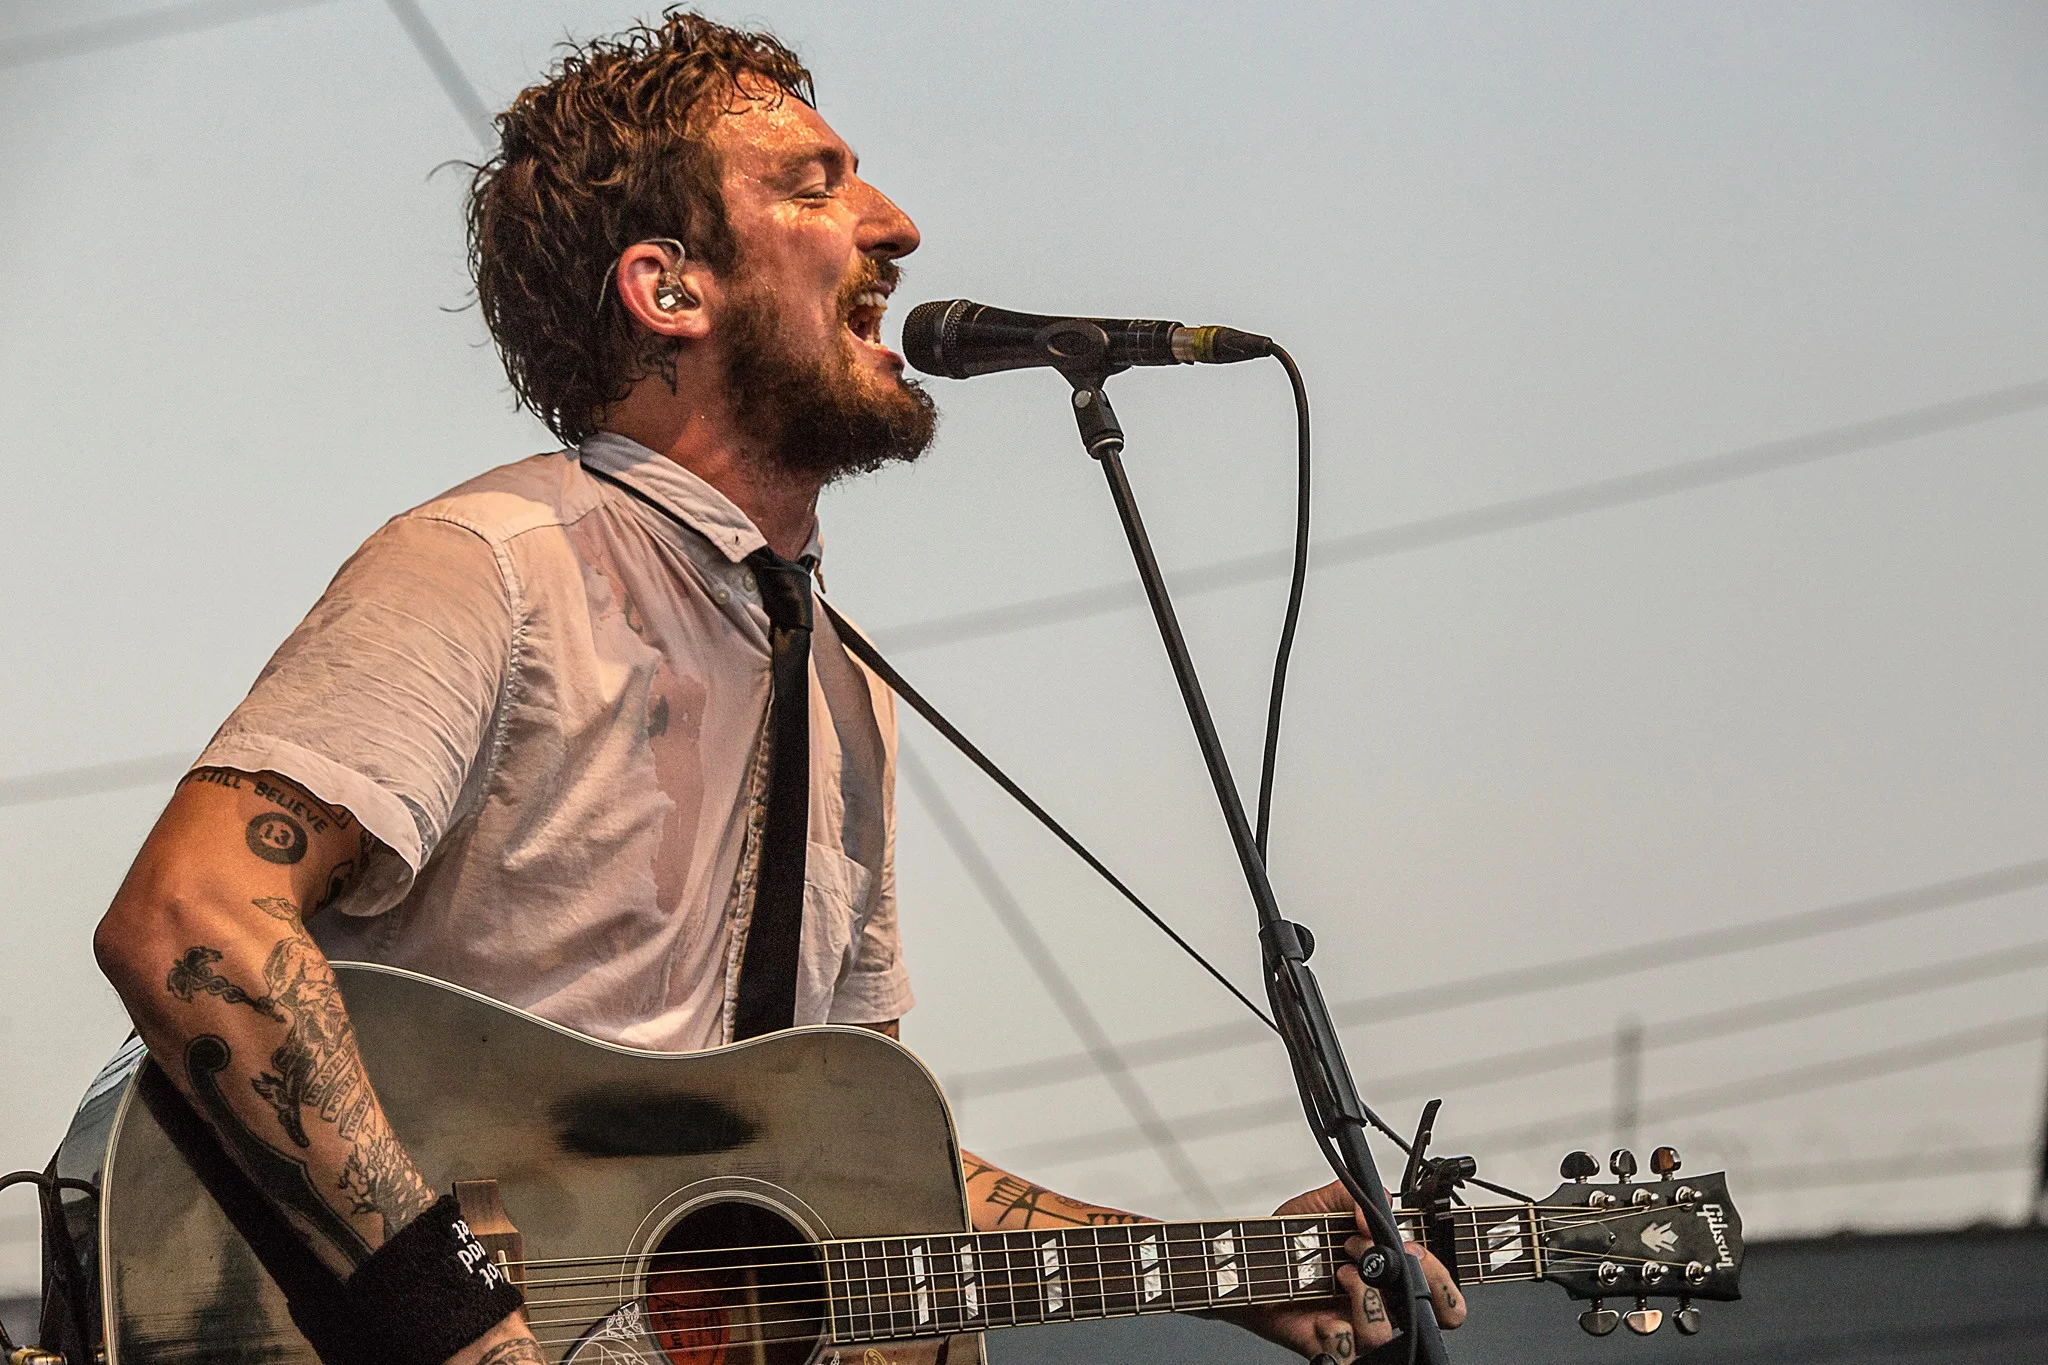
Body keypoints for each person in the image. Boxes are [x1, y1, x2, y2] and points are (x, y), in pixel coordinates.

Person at [92, 12, 1465, 1365]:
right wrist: (454, 1326)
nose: (898, 223)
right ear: (670, 288)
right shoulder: (490, 569)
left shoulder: (841, 689)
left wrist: (1229, 1268)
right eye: (817, 184)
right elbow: (191, 920)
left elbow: (842, 1172)